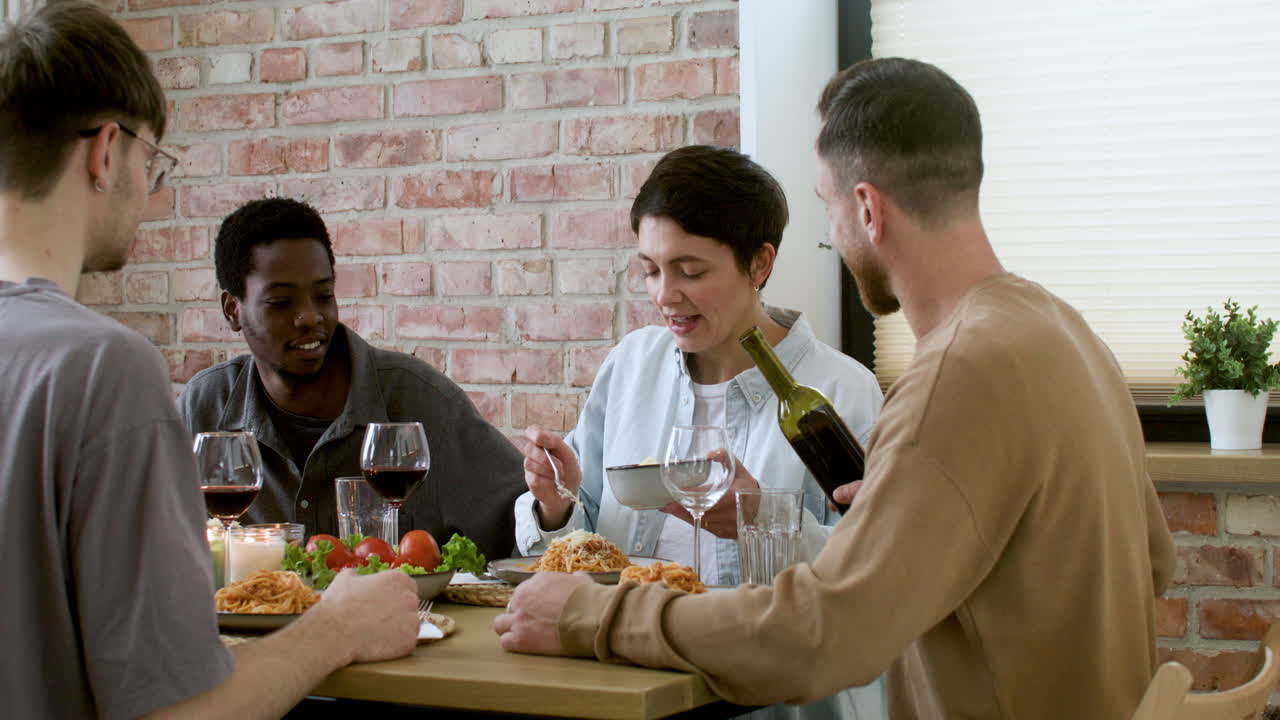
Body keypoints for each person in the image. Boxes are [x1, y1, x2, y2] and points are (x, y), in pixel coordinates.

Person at [495, 58, 1176, 720]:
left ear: (867, 208)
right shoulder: (1067, 333)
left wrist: (591, 614)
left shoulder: (959, 373)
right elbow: (1156, 562)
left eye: (827, 206)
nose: (832, 236)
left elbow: (819, 636)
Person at [0, 4, 420, 719]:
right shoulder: (104, 368)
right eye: (151, 164)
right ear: (107, 152)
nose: (149, 194)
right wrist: (339, 626)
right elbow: (179, 712)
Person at [514, 145, 886, 719]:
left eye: (690, 271)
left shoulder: (839, 393)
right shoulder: (631, 367)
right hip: (623, 692)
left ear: (759, 264)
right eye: (650, 270)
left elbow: (874, 579)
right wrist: (555, 504)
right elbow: (582, 541)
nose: (665, 295)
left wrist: (763, 519)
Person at [179, 197, 526, 561]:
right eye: (281, 303)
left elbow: (528, 526)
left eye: (323, 295)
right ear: (233, 310)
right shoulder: (204, 408)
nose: (310, 316)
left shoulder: (420, 401)